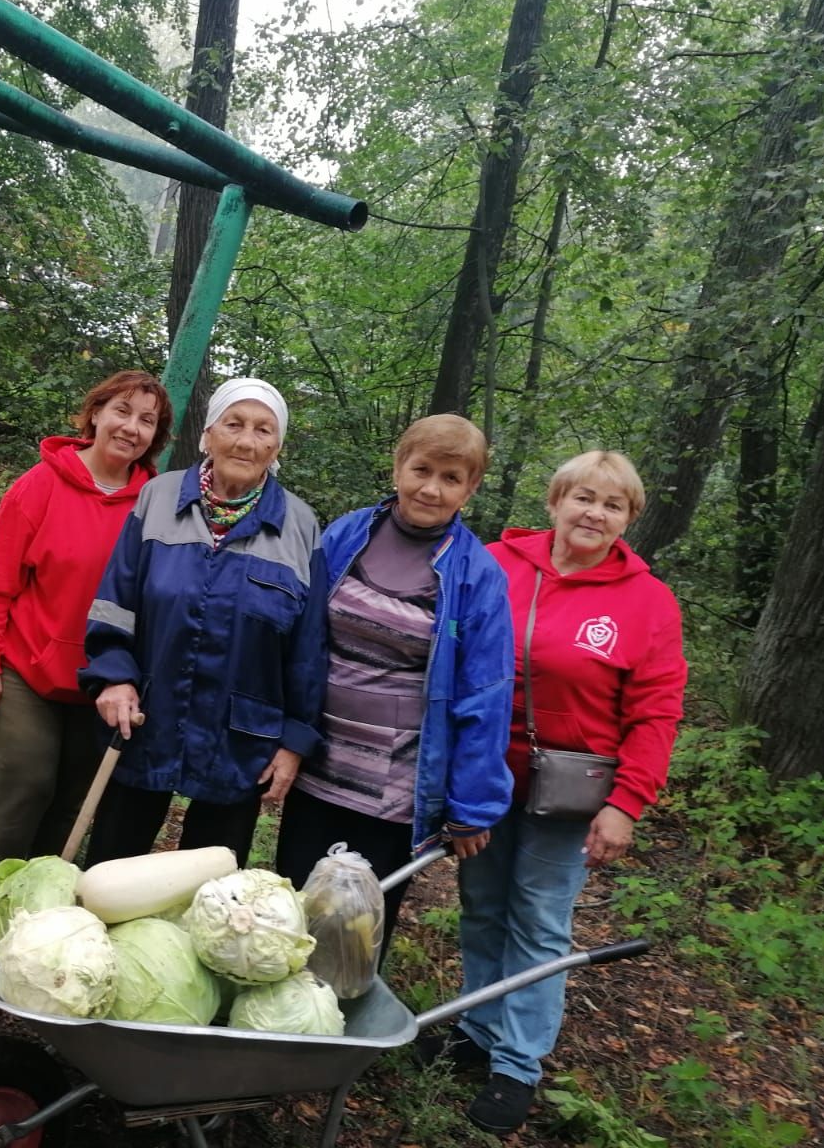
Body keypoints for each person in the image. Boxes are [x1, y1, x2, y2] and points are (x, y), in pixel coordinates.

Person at [429, 450, 687, 1136]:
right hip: (484, 777)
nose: (593, 514)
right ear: (554, 501)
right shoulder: (495, 562)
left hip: (571, 790)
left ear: (628, 518)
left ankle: (517, 1065)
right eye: (582, 498)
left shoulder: (646, 601)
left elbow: (657, 710)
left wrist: (627, 801)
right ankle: (476, 1033)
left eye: (612, 505)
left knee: (539, 923)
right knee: (481, 907)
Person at [275, 414, 514, 953]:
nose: (431, 488)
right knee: (293, 901)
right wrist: (287, 735)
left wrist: (472, 805)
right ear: (398, 466)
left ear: (471, 488)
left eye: (451, 478)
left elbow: (486, 694)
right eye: (421, 469)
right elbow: (303, 639)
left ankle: (343, 1025)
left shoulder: (477, 574)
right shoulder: (346, 535)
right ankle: (274, 1023)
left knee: (360, 924)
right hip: (320, 763)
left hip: (399, 786)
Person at [78, 378, 327, 867]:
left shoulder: (300, 525)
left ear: (276, 447)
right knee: (109, 869)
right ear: (208, 434)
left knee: (210, 885)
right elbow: (116, 601)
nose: (245, 440)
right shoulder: (157, 498)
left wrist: (294, 740)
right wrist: (114, 676)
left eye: (262, 430)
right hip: (147, 717)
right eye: (233, 424)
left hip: (242, 736)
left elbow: (309, 647)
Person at [0, 370, 173, 869]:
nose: (131, 428)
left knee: (73, 805)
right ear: (95, 414)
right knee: (25, 788)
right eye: (121, 411)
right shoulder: (40, 485)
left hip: (103, 679)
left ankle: (39, 917)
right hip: (26, 670)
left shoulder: (158, 504)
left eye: (147, 420)